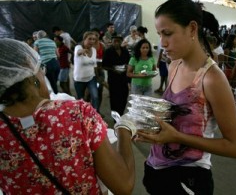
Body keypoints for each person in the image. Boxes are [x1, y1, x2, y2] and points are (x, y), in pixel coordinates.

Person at [130, 0, 236, 194]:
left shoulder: (212, 79)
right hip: (157, 167)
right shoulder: (175, 65)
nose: (162, 43)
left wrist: (177, 137)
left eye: (167, 33)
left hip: (189, 178)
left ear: (192, 29)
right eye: (159, 34)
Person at [0, 38, 135, 194]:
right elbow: (123, 185)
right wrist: (124, 130)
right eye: (40, 67)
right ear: (28, 65)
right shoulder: (78, 113)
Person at [102, 35, 131, 116]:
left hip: (123, 79)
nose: (117, 43)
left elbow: (129, 63)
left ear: (121, 42)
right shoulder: (108, 51)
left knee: (124, 98)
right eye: (115, 41)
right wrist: (113, 69)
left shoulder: (125, 51)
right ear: (112, 42)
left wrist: (126, 67)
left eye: (118, 41)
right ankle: (115, 117)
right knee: (114, 99)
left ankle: (121, 114)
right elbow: (104, 65)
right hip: (113, 79)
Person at [73, 31, 99, 111]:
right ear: (84, 39)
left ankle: (94, 114)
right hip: (79, 79)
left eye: (94, 39)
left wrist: (97, 76)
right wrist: (82, 51)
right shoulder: (78, 47)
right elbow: (78, 52)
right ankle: (82, 115)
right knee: (81, 100)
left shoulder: (94, 50)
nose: (92, 41)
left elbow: (94, 65)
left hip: (91, 77)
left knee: (95, 96)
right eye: (89, 39)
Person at [33, 30, 60, 94]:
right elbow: (58, 55)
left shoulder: (37, 42)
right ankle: (56, 97)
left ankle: (56, 100)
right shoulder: (52, 42)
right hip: (56, 64)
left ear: (38, 36)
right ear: (45, 35)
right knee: (54, 83)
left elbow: (34, 54)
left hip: (47, 65)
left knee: (52, 86)